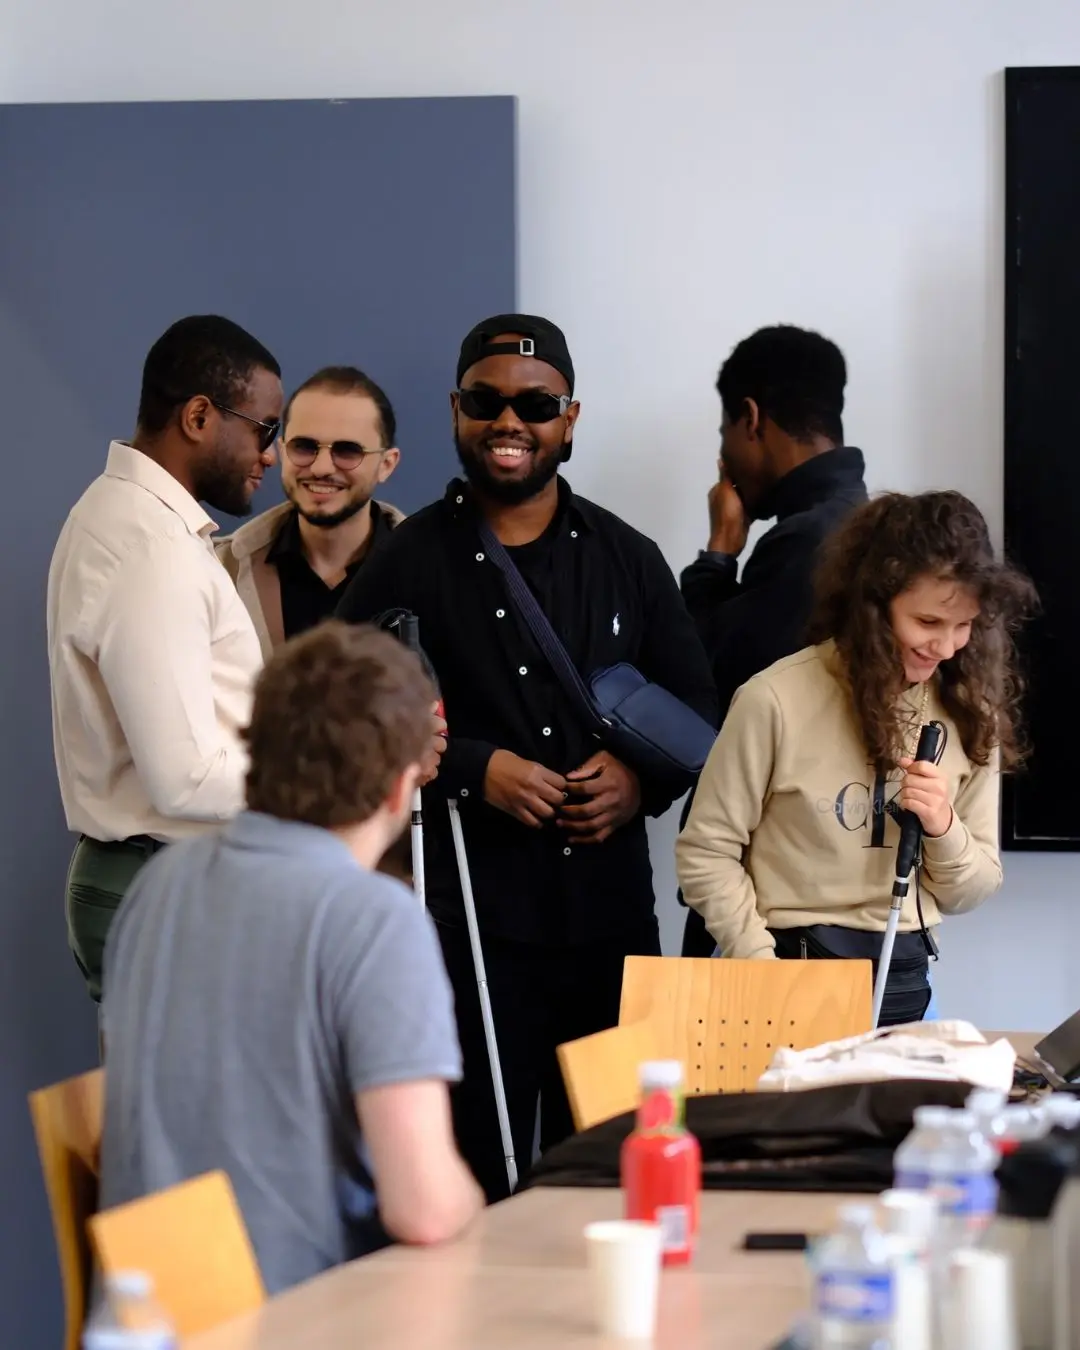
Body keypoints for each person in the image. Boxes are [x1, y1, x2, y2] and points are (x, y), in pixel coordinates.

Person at [336, 313, 717, 1201]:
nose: (510, 422)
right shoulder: (406, 560)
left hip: (611, 928)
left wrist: (637, 781)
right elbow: (345, 716)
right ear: (457, 411)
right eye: (487, 401)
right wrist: (471, 768)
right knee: (480, 1177)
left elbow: (702, 712)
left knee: (622, 1171)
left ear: (570, 418)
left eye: (535, 405)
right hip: (472, 933)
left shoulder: (629, 558)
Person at [98, 622, 483, 1295]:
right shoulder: (376, 921)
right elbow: (424, 1209)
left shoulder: (160, 883)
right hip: (297, 1315)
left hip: (150, 1315)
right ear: (400, 787)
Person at [676, 491, 1037, 1026]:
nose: (946, 647)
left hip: (907, 987)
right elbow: (704, 855)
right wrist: (761, 966)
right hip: (783, 975)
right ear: (875, 603)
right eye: (928, 622)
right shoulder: (773, 699)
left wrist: (943, 827)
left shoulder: (969, 712)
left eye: (964, 626)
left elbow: (972, 889)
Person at [47, 315, 283, 1002]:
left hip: (165, 878)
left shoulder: (127, 519)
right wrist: (323, 778)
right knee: (201, 1112)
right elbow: (184, 778)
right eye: (265, 429)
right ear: (200, 416)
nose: (270, 454)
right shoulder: (151, 547)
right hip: (167, 881)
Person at [677, 325, 868, 956]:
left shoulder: (807, 542)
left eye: (726, 431)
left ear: (751, 419)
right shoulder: (857, 522)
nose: (726, 453)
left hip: (764, 901)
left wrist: (718, 553)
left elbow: (703, 675)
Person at [216, 365, 404, 658]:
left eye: (347, 451)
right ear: (280, 450)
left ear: (387, 464)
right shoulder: (220, 570)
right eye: (304, 446)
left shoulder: (438, 575)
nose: (321, 467)